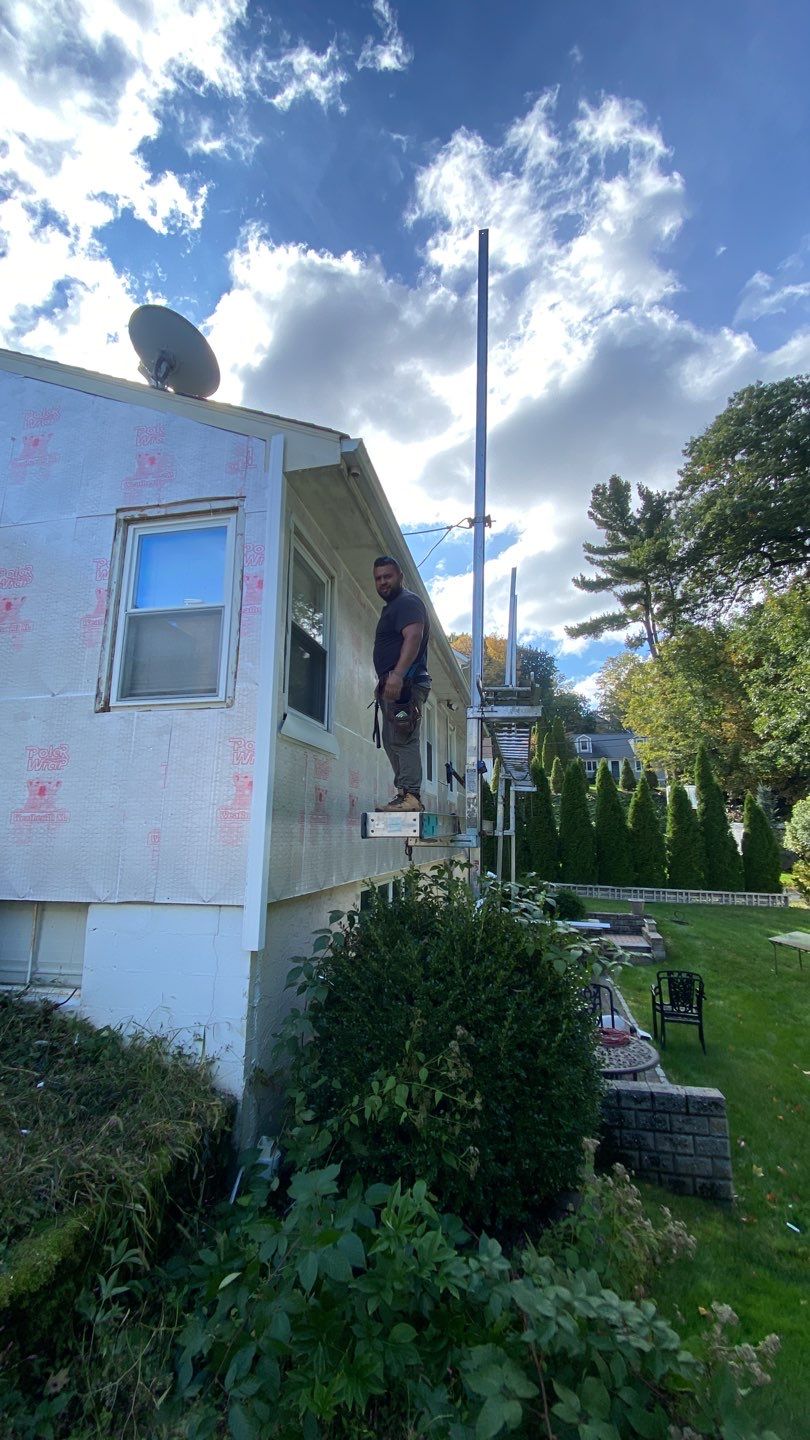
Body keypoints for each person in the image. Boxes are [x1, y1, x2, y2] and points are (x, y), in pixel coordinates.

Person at [372, 556, 431, 812]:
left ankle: (411, 796)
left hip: (406, 684)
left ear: (400, 576)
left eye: (388, 576)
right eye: (378, 578)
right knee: (392, 739)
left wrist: (397, 674)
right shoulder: (394, 607)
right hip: (395, 686)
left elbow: (414, 636)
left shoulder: (407, 602)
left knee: (403, 737)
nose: (383, 582)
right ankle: (404, 793)